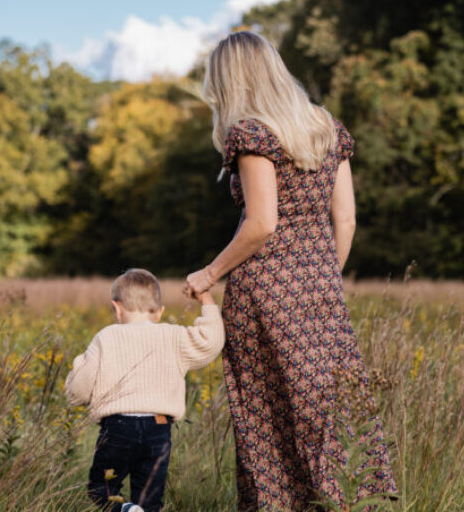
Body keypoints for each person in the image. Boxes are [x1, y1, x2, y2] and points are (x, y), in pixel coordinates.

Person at [182, 31, 398, 511]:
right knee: (328, 407)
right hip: (322, 287)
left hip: (264, 292)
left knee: (268, 414)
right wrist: (322, 276)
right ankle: (345, 501)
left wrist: (210, 273)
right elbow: (346, 219)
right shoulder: (326, 127)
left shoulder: (252, 134)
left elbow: (261, 223)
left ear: (232, 80)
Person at [66, 268, 224, 512]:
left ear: (116, 308)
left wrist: (79, 365)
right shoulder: (173, 336)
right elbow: (211, 342)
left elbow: (78, 391)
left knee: (102, 489)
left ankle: (125, 510)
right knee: (150, 500)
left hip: (118, 429)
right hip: (158, 430)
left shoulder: (106, 337)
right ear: (159, 312)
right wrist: (206, 299)